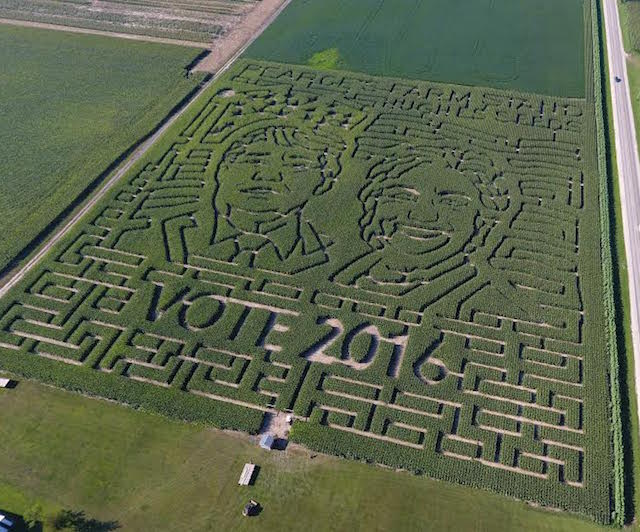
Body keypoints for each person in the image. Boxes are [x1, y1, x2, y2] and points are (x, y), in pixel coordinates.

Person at [206, 123, 348, 274]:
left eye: (295, 165)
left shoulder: (321, 256)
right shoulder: (184, 231)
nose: (269, 175)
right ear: (224, 169)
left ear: (323, 183)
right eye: (255, 161)